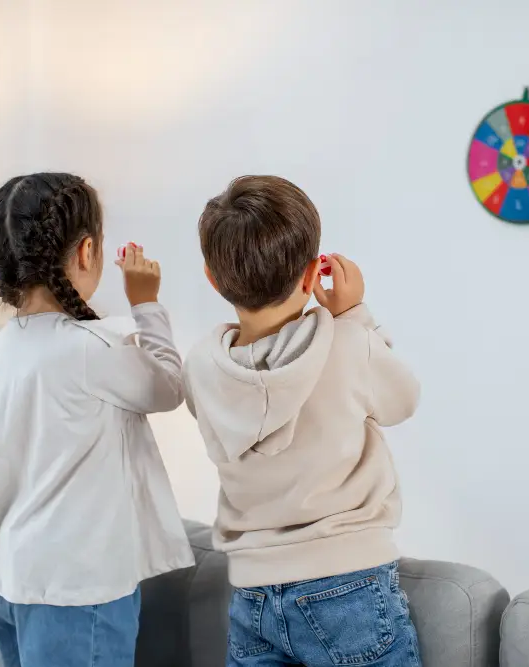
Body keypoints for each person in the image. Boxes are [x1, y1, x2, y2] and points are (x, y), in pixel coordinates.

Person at [182, 175, 422, 666]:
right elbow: (403, 400)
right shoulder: (347, 344)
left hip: (252, 596)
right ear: (314, 274)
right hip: (348, 584)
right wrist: (355, 313)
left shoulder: (201, 368)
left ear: (211, 277)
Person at [0, 173, 194, 667]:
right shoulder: (92, 350)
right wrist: (146, 303)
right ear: (88, 251)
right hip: (77, 592)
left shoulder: (10, 344)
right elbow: (169, 387)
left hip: (14, 581)